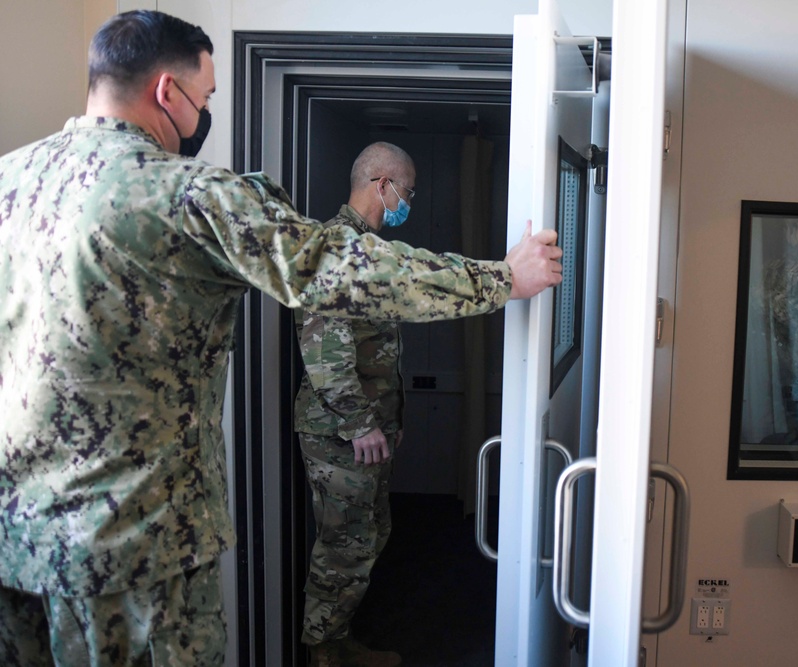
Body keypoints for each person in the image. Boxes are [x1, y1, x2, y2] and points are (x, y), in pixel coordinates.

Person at [0, 10, 561, 667]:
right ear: (165, 92)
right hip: (138, 547)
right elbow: (339, 269)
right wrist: (502, 278)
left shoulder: (12, 181)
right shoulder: (185, 195)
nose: (202, 117)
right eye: (205, 98)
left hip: (19, 541)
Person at [293, 142, 418, 667]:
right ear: (382, 184)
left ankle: (338, 640)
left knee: (366, 538)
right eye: (407, 192)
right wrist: (360, 423)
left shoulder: (368, 248)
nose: (408, 203)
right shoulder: (339, 247)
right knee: (344, 548)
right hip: (342, 432)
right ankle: (323, 654)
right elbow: (324, 348)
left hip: (365, 430)